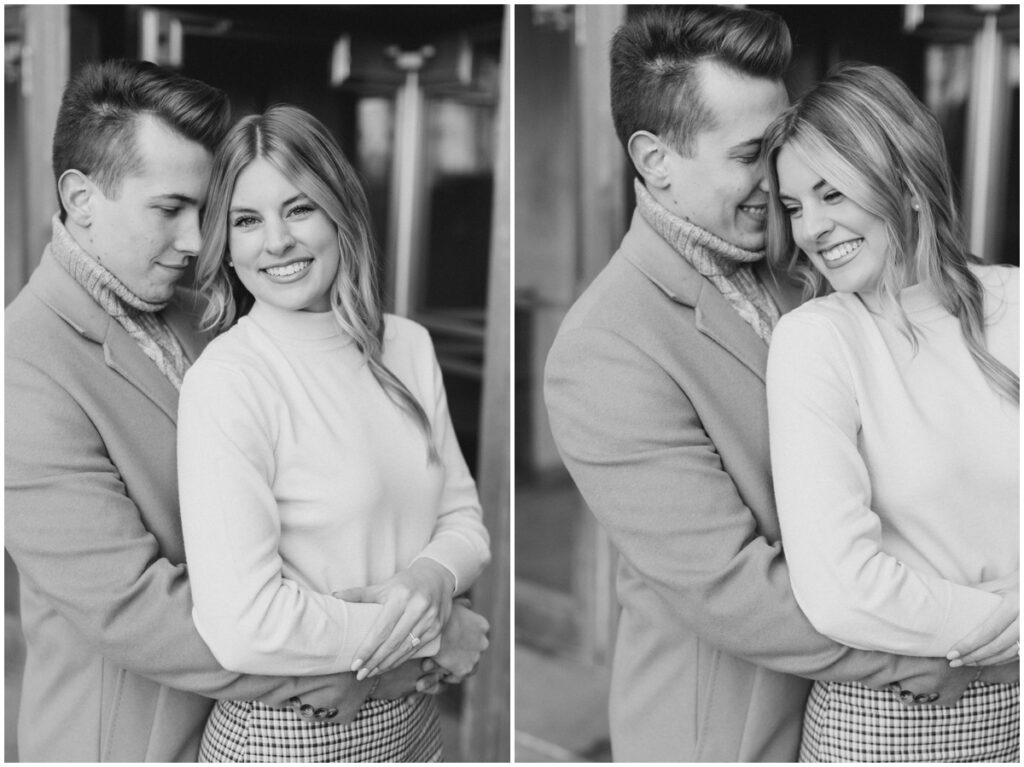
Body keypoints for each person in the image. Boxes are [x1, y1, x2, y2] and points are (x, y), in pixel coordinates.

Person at [543, 8, 1000, 762]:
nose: (779, 176)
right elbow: (730, 588)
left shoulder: (813, 257)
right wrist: (936, 649)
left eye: (782, 141)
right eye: (752, 152)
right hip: (728, 733)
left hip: (856, 714)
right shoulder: (602, 348)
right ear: (656, 159)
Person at [5, 59, 452, 762]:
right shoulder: (21, 365)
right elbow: (134, 607)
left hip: (268, 723)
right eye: (169, 208)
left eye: (205, 209)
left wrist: (430, 592)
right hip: (133, 741)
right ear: (81, 197)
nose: (194, 241)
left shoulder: (203, 311)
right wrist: (374, 658)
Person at [177, 104, 491, 762]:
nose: (277, 241)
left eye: (299, 209)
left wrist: (434, 576)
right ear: (226, 246)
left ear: (340, 211)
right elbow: (242, 625)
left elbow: (463, 516)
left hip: (415, 724)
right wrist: (435, 633)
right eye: (247, 220)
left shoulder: (407, 345)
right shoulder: (229, 381)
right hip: (288, 733)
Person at [763, 63, 1019, 762]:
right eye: (793, 206)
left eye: (830, 193)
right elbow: (840, 587)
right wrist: (1009, 628)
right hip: (890, 725)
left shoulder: (1016, 302)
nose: (811, 228)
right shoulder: (816, 340)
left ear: (904, 182)